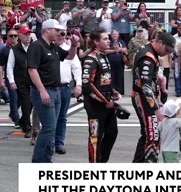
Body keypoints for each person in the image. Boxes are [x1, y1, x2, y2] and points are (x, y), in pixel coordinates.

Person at [27, 19, 79, 163]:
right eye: (56, 30)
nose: (59, 33)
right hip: (45, 91)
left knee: (52, 127)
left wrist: (74, 45)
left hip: (56, 90)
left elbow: (69, 56)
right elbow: (32, 69)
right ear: (47, 30)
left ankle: (46, 158)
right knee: (49, 127)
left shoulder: (53, 47)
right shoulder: (37, 46)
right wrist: (42, 91)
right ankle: (38, 160)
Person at [131, 32, 176, 163]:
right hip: (143, 99)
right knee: (153, 135)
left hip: (146, 98)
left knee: (147, 135)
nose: (167, 53)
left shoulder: (150, 51)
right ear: (160, 42)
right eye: (167, 49)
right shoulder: (148, 56)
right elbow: (145, 87)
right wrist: (157, 109)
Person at [82, 29, 120, 163]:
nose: (108, 40)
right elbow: (87, 85)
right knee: (95, 136)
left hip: (107, 104)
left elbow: (104, 80)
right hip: (95, 106)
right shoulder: (91, 59)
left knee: (112, 132)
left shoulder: (103, 55)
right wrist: (105, 100)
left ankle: (102, 161)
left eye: (108, 38)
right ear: (96, 42)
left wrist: (113, 91)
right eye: (105, 39)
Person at [54, 31, 82, 154]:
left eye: (62, 34)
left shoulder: (69, 50)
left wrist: (78, 85)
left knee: (62, 117)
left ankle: (59, 143)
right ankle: (48, 141)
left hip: (64, 87)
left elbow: (76, 67)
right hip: (50, 87)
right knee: (51, 117)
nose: (60, 36)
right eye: (58, 34)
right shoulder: (45, 48)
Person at [160, 99, 181, 163]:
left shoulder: (164, 121)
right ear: (176, 112)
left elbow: (159, 129)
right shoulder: (175, 122)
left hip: (164, 150)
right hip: (172, 151)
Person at [0, 30, 20, 129]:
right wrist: (1, 79)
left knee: (22, 99)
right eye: (11, 36)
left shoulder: (22, 48)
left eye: (15, 35)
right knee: (13, 98)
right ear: (7, 37)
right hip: (9, 77)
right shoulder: (4, 50)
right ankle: (16, 120)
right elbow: (1, 66)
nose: (13, 37)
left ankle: (13, 113)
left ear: (18, 37)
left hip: (21, 77)